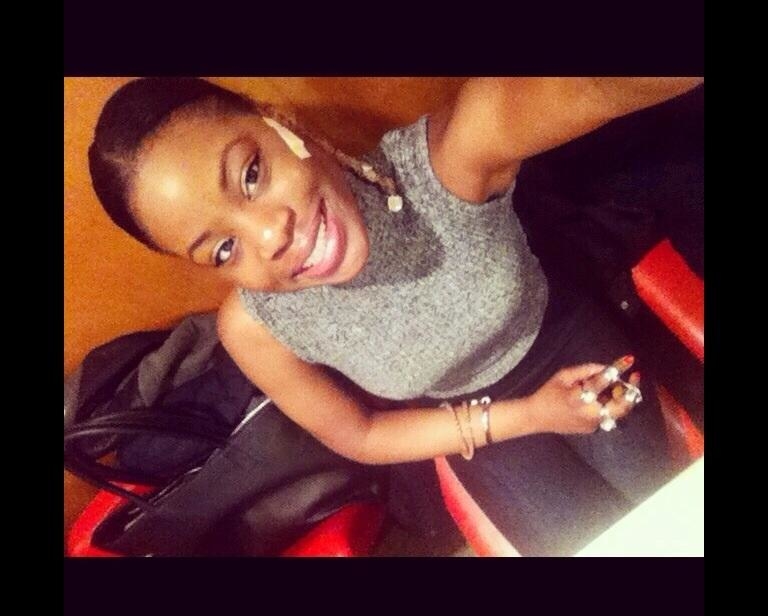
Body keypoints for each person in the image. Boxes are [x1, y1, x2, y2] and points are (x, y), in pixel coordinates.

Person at [87, 76, 703, 556]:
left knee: (673, 523)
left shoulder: (446, 166)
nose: (270, 236)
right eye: (223, 249)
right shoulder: (256, 329)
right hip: (478, 430)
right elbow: (360, 434)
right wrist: (528, 416)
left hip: (564, 346)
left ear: (281, 126)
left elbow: (592, 85)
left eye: (251, 174)